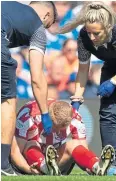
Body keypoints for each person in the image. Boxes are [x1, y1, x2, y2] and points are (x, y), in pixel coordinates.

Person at [55, 1, 116, 176]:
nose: (91, 37)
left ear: (107, 27)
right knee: (106, 112)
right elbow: (83, 68)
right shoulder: (84, 36)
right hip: (112, 66)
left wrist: (115, 80)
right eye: (89, 32)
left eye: (96, 33)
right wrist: (77, 97)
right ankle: (110, 163)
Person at [1, 1, 57, 175]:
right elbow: (37, 76)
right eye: (49, 25)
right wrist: (45, 113)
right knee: (7, 102)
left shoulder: (7, 4)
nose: (45, 29)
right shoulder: (38, 27)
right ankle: (2, 164)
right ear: (46, 16)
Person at [10, 99, 115, 176]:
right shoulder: (28, 116)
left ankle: (97, 166)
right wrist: (29, 170)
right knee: (32, 143)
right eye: (55, 127)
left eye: (62, 128)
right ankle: (45, 167)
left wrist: (87, 165)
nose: (58, 132)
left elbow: (82, 148)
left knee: (74, 143)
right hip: (30, 163)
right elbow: (15, 152)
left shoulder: (75, 118)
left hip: (56, 162)